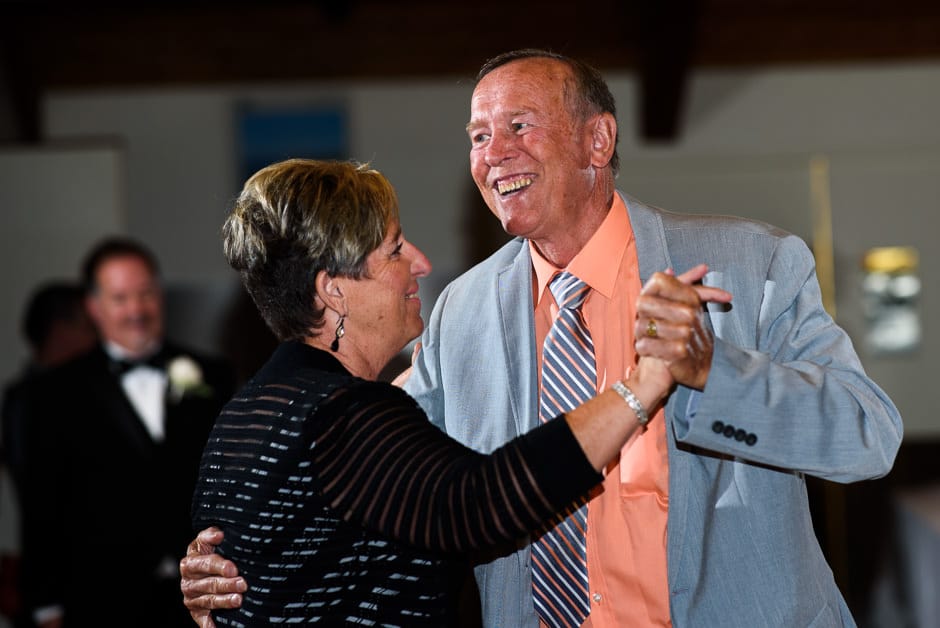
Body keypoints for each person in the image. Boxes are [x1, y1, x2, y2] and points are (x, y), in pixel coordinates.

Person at [181, 50, 903, 627]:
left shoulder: (753, 263)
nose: (494, 152)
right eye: (477, 135)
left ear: (598, 138)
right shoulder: (459, 311)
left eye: (519, 125)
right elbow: (386, 473)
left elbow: (868, 438)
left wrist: (717, 372)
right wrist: (236, 559)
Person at [186, 158, 730, 626]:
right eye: (394, 249)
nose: (420, 263)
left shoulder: (251, 411)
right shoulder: (342, 416)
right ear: (334, 290)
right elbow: (481, 500)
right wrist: (644, 384)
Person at [22, 238, 235, 628]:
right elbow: (41, 507)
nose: (137, 309)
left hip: (199, 599)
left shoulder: (215, 375)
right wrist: (46, 606)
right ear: (93, 307)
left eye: (146, 294)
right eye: (121, 298)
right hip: (102, 600)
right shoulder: (54, 394)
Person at [0, 281, 97, 628]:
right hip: (60, 585)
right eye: (89, 325)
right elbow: (40, 500)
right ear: (60, 330)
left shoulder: (25, 396)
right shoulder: (30, 401)